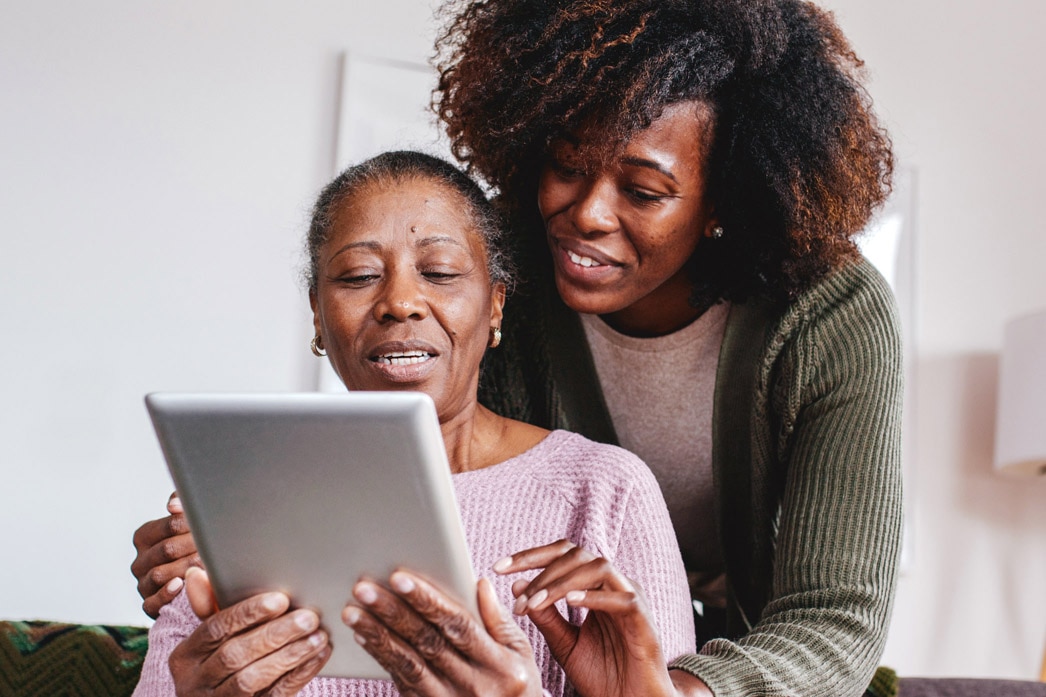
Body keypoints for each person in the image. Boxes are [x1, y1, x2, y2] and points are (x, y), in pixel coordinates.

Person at [133, 0, 906, 694]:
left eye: (642, 191)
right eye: (566, 166)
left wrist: (665, 693)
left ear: (722, 202)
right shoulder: (506, 279)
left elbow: (834, 616)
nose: (587, 215)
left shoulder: (830, 315)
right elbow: (445, 490)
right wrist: (240, 535)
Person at [131, 150, 696, 697]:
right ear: (318, 315)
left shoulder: (605, 490)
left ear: (496, 305)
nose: (400, 301)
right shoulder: (239, 507)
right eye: (357, 276)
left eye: (440, 271)